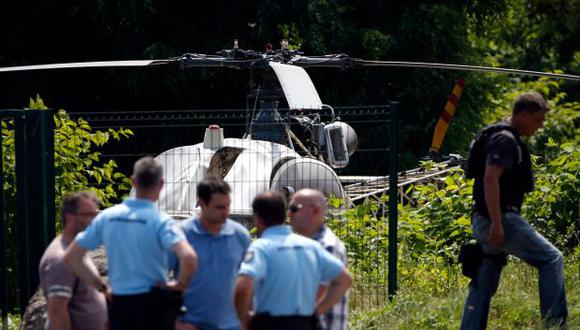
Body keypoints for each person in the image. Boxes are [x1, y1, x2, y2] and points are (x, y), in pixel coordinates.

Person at [460, 92, 568, 329]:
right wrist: (498, 223)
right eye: (538, 119)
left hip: (484, 219)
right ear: (524, 114)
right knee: (552, 259)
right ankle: (554, 325)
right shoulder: (505, 139)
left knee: (484, 281)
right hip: (498, 219)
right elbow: (490, 179)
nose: (540, 126)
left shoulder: (501, 135)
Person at [64, 156, 198, 330]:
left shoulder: (107, 217)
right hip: (154, 304)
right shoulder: (161, 221)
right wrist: (179, 285)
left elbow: (73, 257)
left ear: (133, 182)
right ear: (161, 184)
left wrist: (102, 287)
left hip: (119, 303)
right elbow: (189, 257)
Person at [234, 191, 353, 330]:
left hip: (270, 323)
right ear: (283, 215)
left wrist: (243, 318)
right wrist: (315, 312)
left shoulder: (261, 247)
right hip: (303, 323)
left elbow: (243, 286)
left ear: (257, 218)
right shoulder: (312, 246)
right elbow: (345, 279)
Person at [171, 177, 251, 330]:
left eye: (228, 206)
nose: (226, 212)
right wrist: (174, 321)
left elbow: (250, 282)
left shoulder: (240, 235)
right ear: (201, 204)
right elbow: (160, 279)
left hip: (232, 326)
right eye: (220, 207)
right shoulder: (181, 235)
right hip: (191, 324)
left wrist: (246, 320)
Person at [39, 192, 107, 330]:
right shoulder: (60, 259)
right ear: (70, 218)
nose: (95, 221)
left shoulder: (75, 248)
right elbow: (57, 311)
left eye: (95, 215)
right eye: (89, 215)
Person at [289, 189, 349, 330]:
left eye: (294, 208)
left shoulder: (326, 246)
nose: (289, 214)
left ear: (315, 210)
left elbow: (314, 295)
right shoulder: (309, 244)